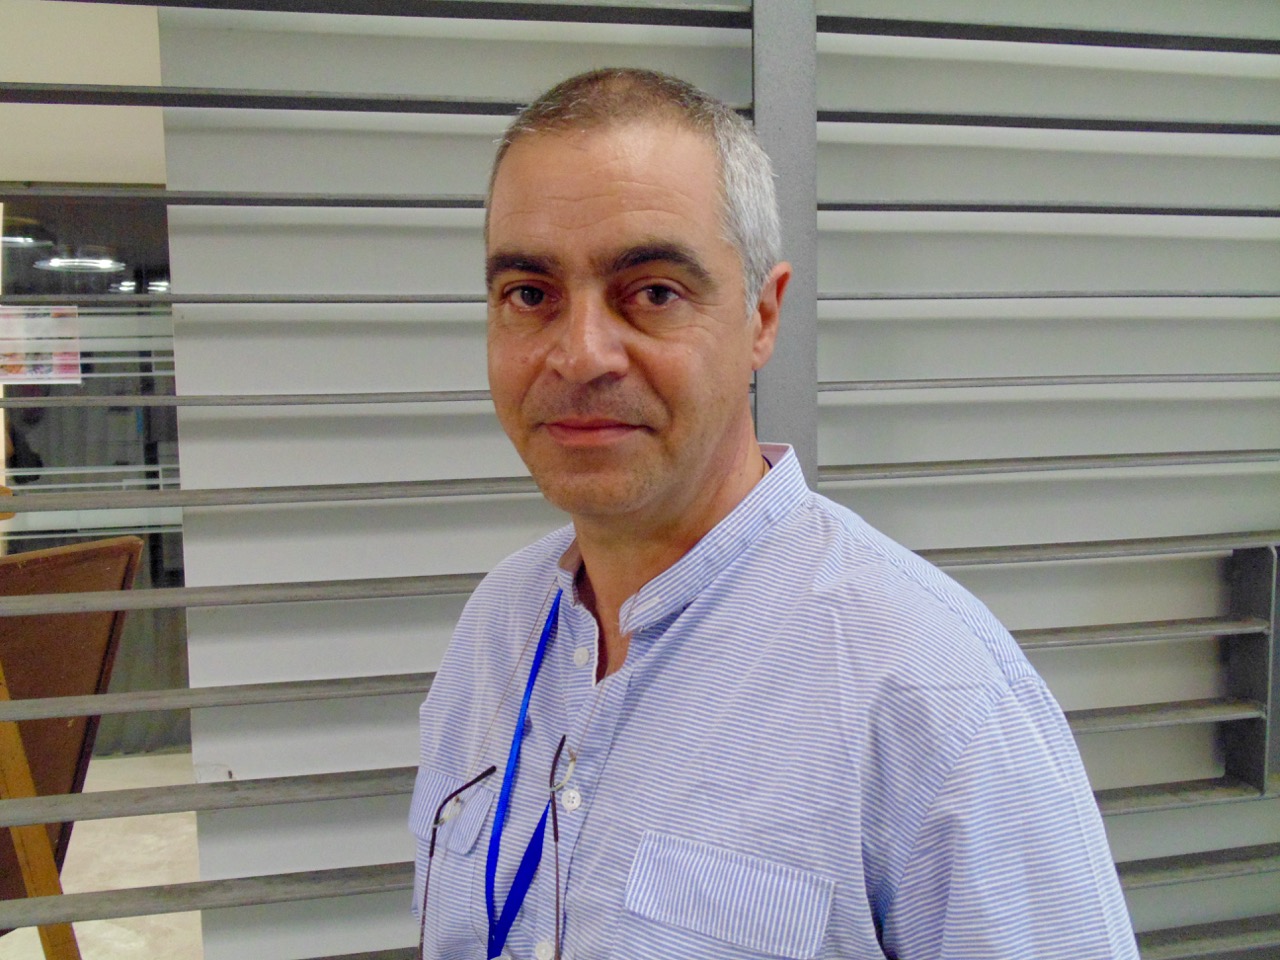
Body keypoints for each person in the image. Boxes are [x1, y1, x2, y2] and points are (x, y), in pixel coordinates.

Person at [411, 68, 1138, 960]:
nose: (581, 354)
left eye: (653, 292)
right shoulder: (496, 630)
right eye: (531, 294)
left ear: (762, 316)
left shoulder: (933, 698)